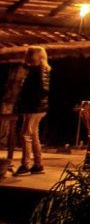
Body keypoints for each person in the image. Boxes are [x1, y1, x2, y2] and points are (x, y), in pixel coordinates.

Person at [14, 46, 51, 176]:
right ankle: (38, 164)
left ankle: (25, 165)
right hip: (37, 107)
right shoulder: (41, 69)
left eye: (28, 53)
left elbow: (42, 90)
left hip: (34, 108)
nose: (26, 55)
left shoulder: (37, 70)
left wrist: (27, 100)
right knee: (33, 135)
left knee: (25, 135)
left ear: (33, 56)